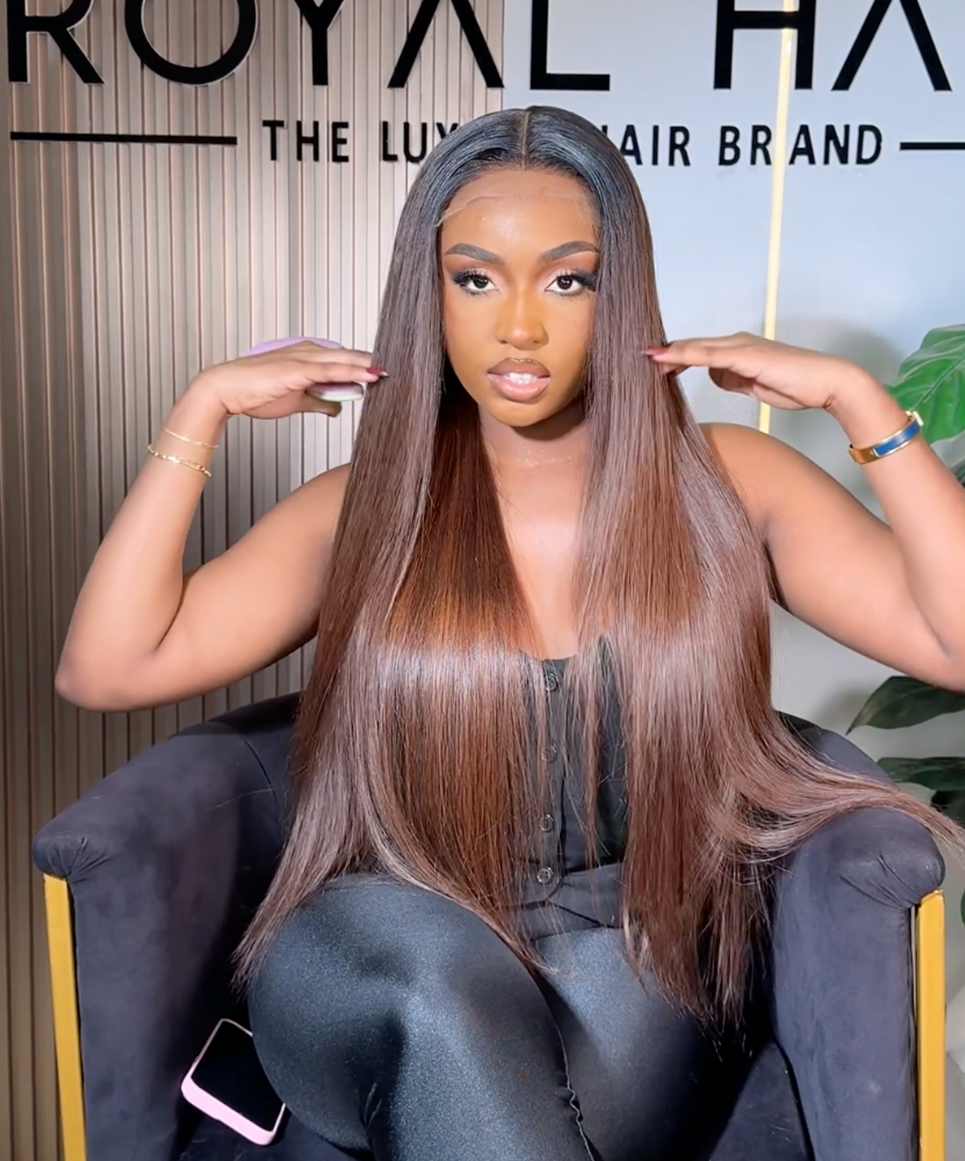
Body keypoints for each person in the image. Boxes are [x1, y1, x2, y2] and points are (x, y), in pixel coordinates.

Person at [56, 105, 965, 1161]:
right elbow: (108, 666)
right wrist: (200, 411)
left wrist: (862, 405)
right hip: (374, 941)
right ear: (430, 293)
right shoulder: (368, 506)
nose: (519, 326)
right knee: (432, 997)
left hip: (626, 967)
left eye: (567, 281)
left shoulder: (725, 486)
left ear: (621, 293)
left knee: (488, 1084)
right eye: (475, 279)